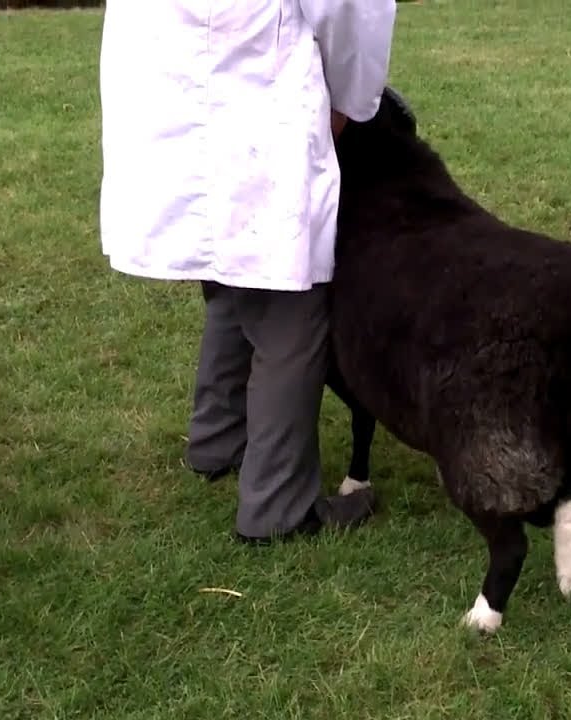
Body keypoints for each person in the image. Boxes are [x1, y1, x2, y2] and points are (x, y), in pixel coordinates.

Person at [98, 0, 397, 544]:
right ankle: (278, 507)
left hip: (171, 77)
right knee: (290, 308)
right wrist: (352, 101)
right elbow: (351, 10)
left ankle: (218, 437)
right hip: (252, 85)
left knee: (236, 266)